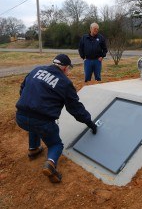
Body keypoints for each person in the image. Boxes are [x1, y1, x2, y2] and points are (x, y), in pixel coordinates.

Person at [15, 54, 97, 183]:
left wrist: (30, 103)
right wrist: (89, 122)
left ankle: (33, 149)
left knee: (34, 124)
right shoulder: (65, 83)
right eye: (69, 69)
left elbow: (22, 88)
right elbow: (75, 109)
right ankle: (50, 165)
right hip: (43, 122)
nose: (68, 72)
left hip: (20, 117)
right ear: (64, 68)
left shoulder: (36, 70)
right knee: (56, 144)